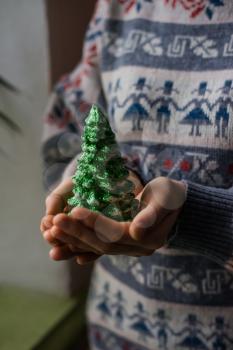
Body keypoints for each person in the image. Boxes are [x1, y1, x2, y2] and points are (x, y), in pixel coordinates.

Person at [40, 1, 233, 349]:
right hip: (120, 328)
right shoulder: (119, 7)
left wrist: (196, 219)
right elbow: (66, 122)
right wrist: (87, 176)